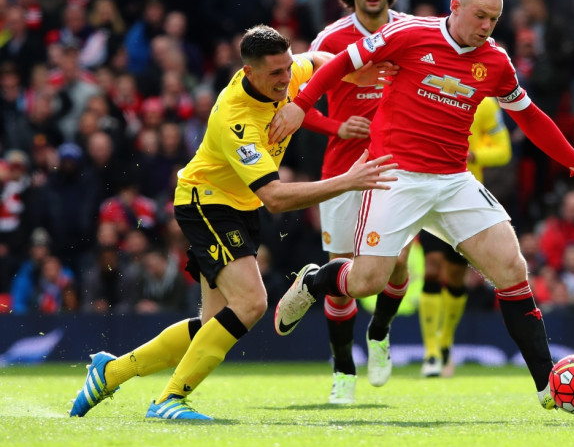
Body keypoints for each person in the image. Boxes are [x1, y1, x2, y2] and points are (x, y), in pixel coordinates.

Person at [270, 0, 574, 410]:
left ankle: (547, 385)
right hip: (395, 175)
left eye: (494, 18)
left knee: (512, 266)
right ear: (455, 6)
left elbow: (531, 117)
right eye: (479, 15)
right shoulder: (408, 33)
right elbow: (340, 63)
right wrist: (300, 106)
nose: (486, 25)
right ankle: (314, 280)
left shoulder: (495, 61)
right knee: (366, 281)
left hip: (453, 180)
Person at [68, 25, 399, 421]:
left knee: (212, 323)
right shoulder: (235, 119)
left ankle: (111, 372)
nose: (285, 78)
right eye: (275, 73)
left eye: (286, 67)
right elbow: (275, 198)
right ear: (249, 72)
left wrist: (350, 73)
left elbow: (317, 63)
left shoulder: (288, 70)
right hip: (206, 203)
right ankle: (170, 399)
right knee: (252, 302)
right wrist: (347, 182)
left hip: (237, 206)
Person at [300, 0, 411, 405]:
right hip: (344, 167)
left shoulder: (412, 33)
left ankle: (380, 333)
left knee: (398, 263)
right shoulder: (328, 40)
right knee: (342, 272)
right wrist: (336, 124)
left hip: (396, 165)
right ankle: (343, 369)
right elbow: (293, 107)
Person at [419, 97, 511, 378]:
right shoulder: (432, 91)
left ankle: (446, 339)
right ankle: (431, 351)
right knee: (432, 266)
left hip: (464, 198)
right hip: (429, 191)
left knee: (456, 276)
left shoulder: (486, 104)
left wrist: (475, 156)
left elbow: (504, 150)